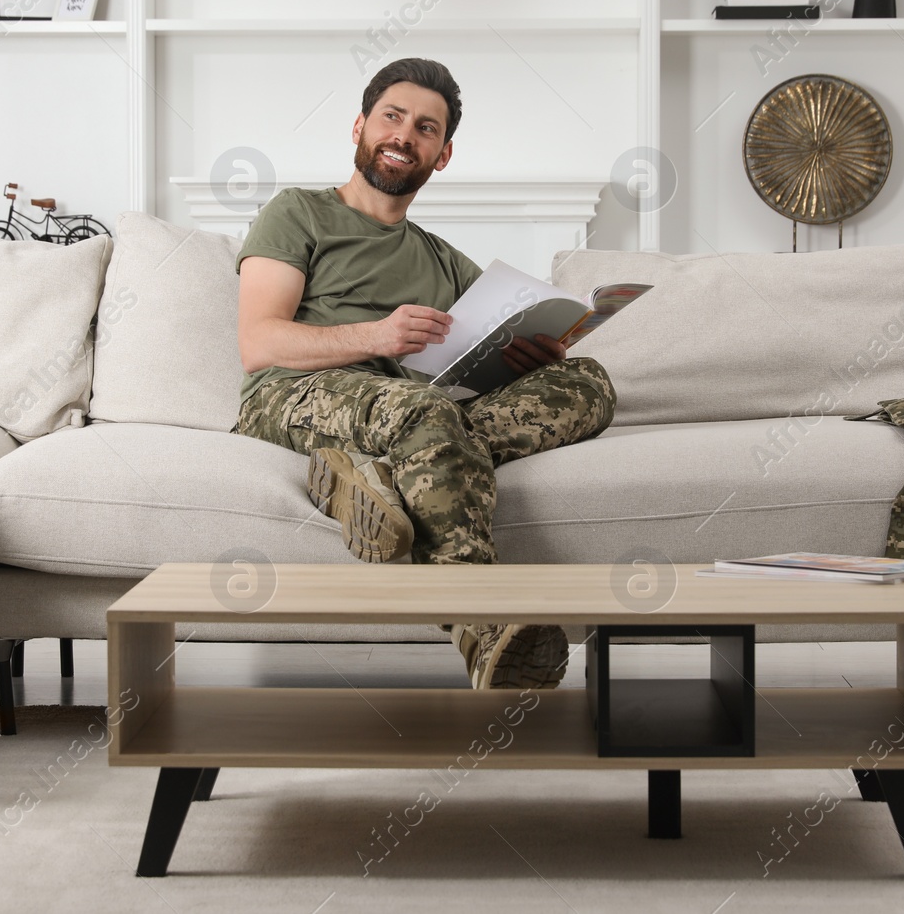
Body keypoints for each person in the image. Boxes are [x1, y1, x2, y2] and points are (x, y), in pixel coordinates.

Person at [230, 57, 617, 690]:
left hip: (412, 411)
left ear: (442, 155)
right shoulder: (297, 212)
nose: (404, 135)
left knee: (589, 382)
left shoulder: (443, 259)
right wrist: (377, 335)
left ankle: (384, 474)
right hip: (290, 393)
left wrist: (528, 354)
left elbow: (483, 350)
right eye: (392, 116)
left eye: (426, 128)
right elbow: (259, 342)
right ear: (359, 126)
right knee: (426, 414)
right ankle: (481, 621)